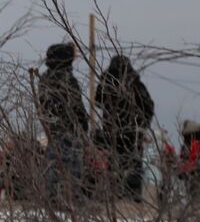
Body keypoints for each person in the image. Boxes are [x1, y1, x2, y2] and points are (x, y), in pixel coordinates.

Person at [94, 54, 155, 201]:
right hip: (132, 132)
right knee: (133, 162)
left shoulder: (107, 83)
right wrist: (142, 125)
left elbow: (97, 101)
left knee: (115, 163)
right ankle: (132, 195)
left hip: (113, 132)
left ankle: (116, 194)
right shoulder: (134, 83)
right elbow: (149, 106)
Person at [36, 42, 88, 198]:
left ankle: (55, 198)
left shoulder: (45, 79)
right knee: (72, 171)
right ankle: (70, 200)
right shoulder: (67, 79)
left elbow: (44, 106)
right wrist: (83, 126)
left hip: (53, 132)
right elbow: (76, 108)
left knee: (54, 168)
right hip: (69, 132)